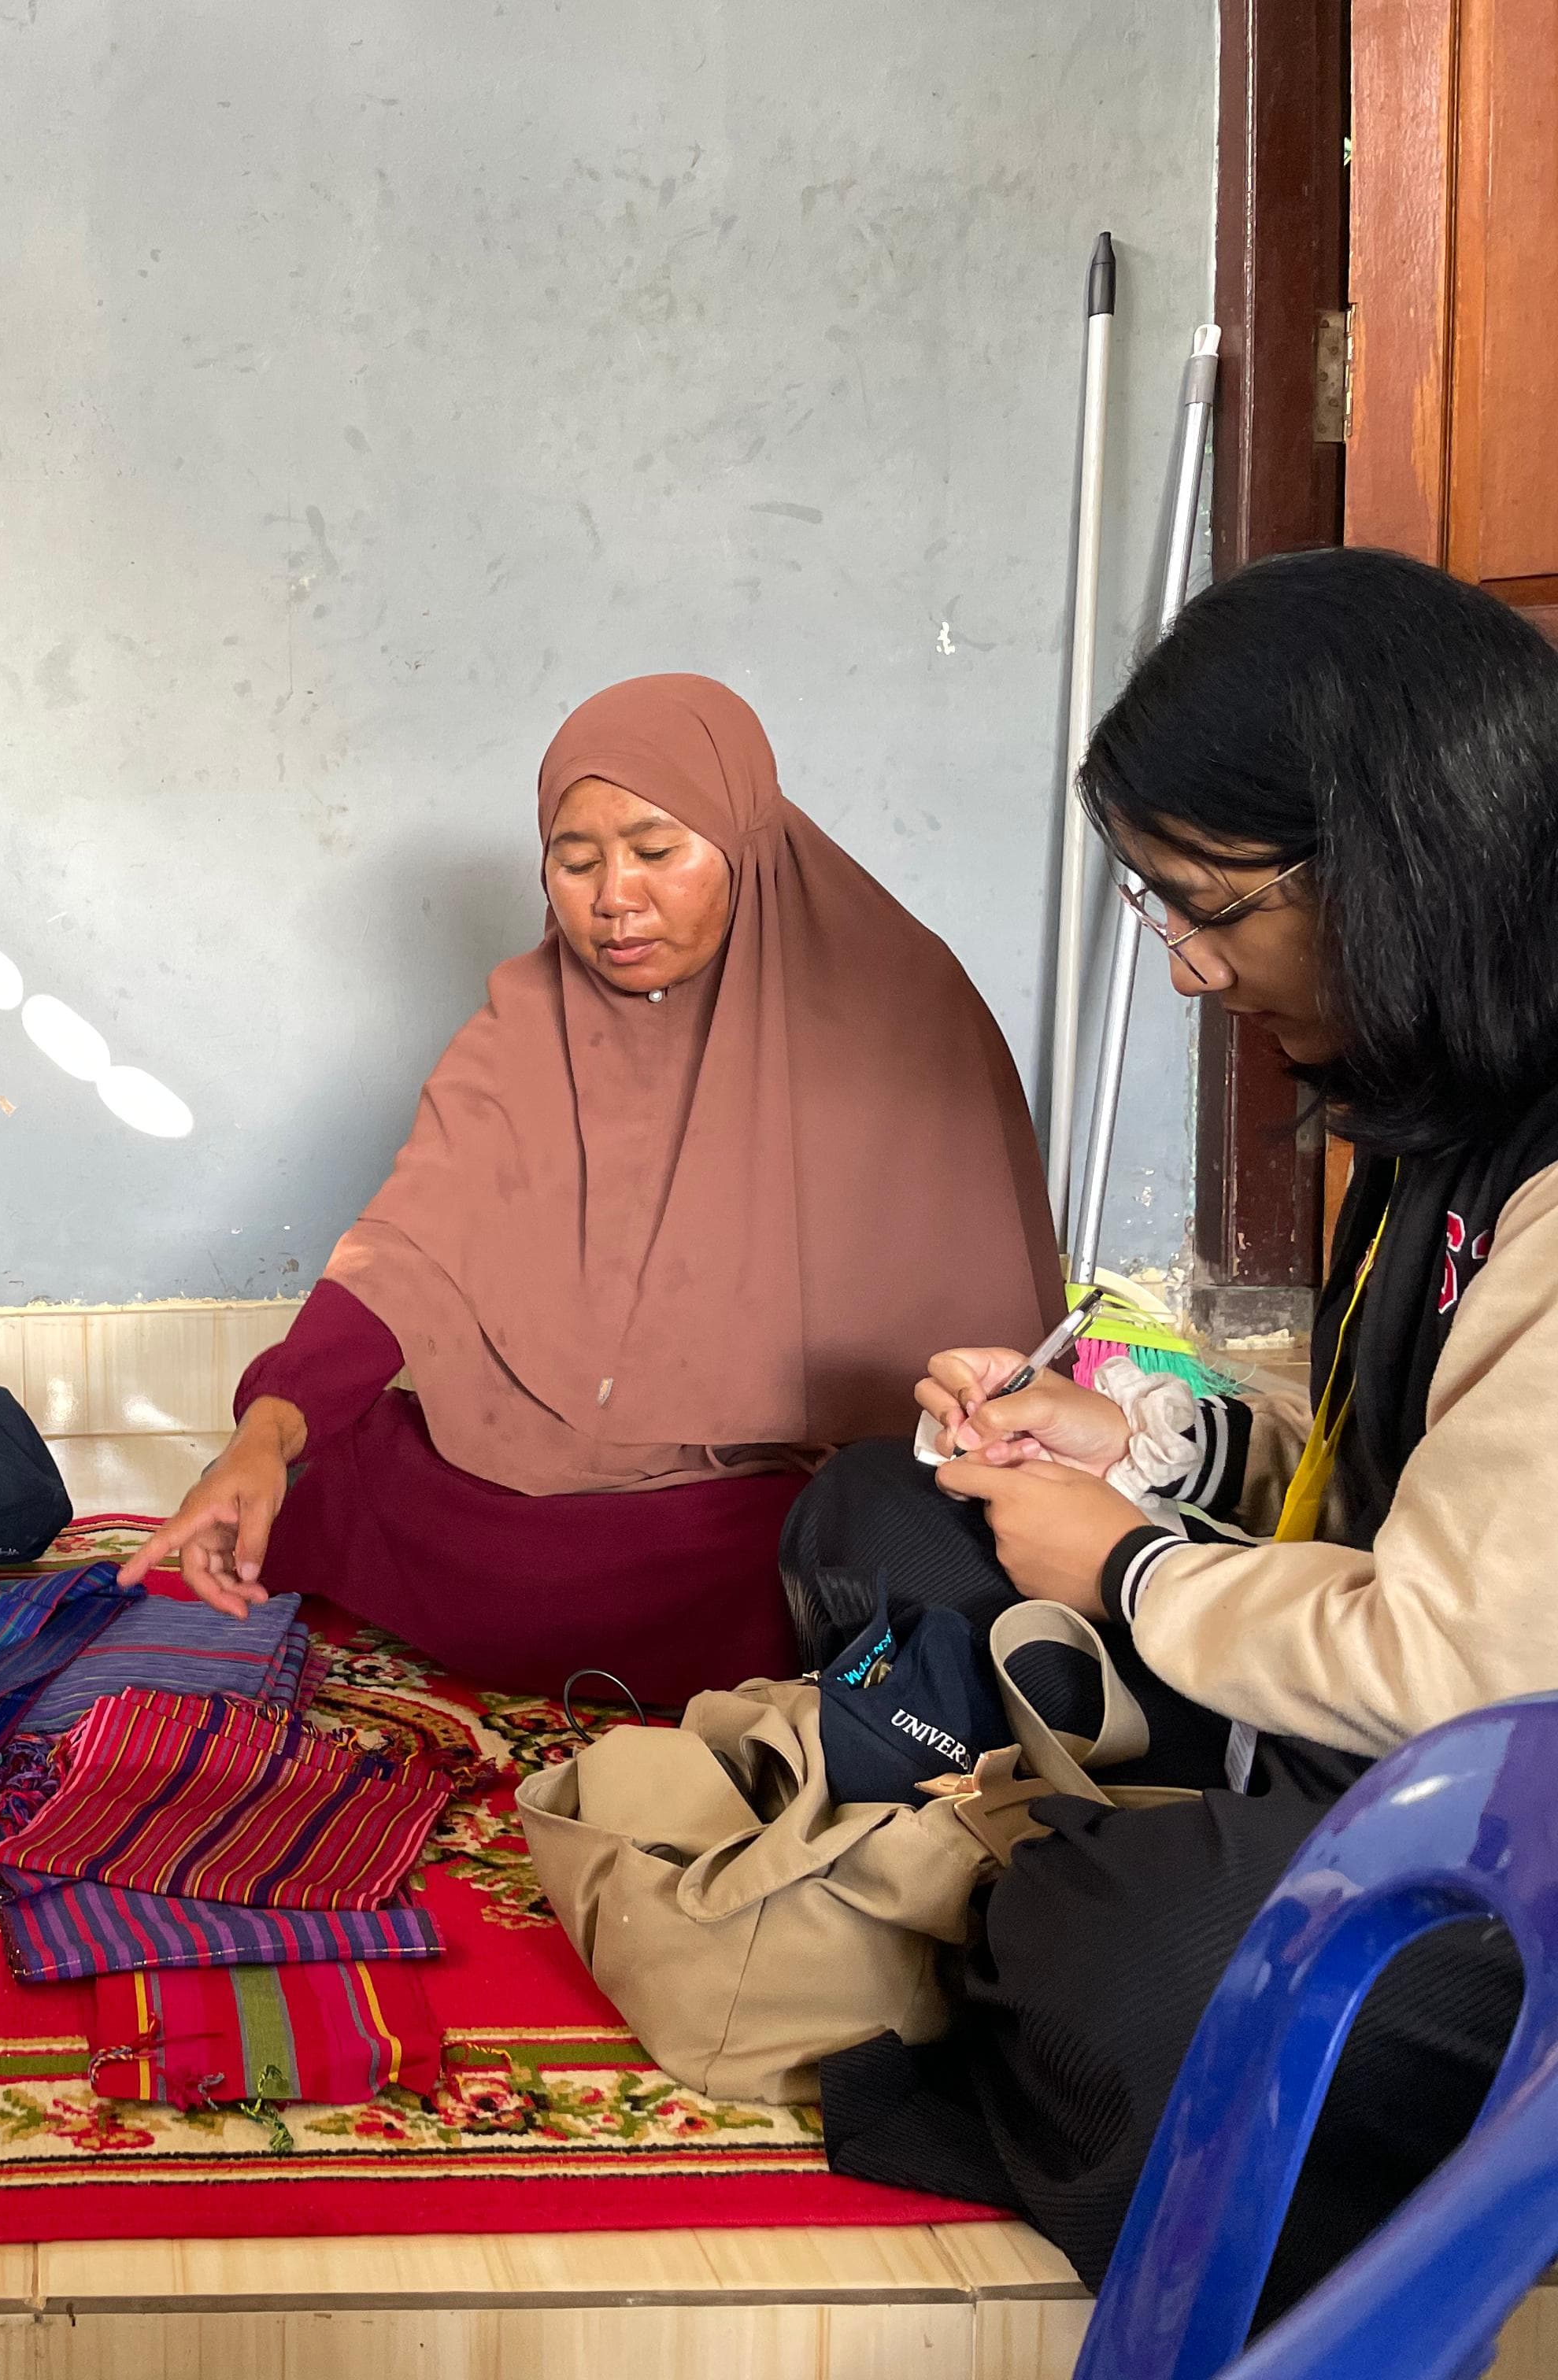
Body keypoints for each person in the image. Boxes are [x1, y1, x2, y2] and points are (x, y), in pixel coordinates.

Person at [789, 546, 1550, 2311]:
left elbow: (1480, 1664)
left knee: (1123, 1954)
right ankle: (1063, 1797)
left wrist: (1128, 1569)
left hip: (1521, 1806)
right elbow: (1431, 1437)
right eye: (1158, 907)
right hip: (1386, 1692)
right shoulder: (1467, 1077)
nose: (1193, 971)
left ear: (1406, 857)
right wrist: (1136, 1437)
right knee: (876, 1506)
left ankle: (1058, 1831)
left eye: (1209, 902)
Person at [122, 674, 1060, 1705]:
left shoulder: (899, 1012)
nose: (616, 897)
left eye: (657, 852)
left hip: (771, 1490)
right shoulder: (529, 1021)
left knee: (882, 1544)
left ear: (744, 842)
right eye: (577, 861)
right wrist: (266, 1432)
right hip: (547, 1468)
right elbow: (411, 1248)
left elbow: (971, 1351)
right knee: (345, 1469)